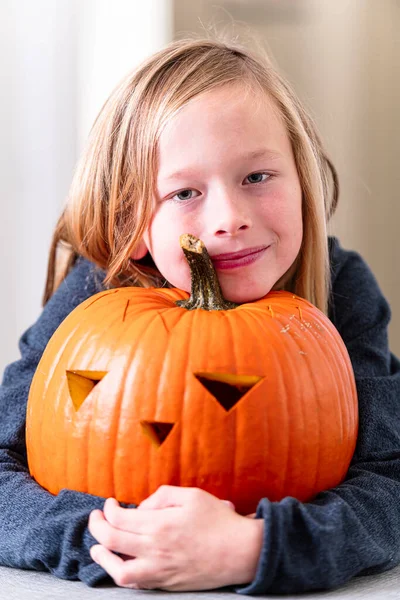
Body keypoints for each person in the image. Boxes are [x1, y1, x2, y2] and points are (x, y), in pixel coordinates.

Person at [1, 35, 400, 595]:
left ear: (303, 181)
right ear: (130, 225)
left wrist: (256, 547)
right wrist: (124, 543)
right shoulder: (99, 288)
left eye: (256, 178)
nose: (228, 218)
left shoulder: (341, 291)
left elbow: (390, 481)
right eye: (185, 191)